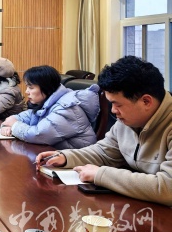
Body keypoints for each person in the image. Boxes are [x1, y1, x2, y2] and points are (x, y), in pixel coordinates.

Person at [36, 56, 172, 206]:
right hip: (140, 206)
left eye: (117, 104)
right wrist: (66, 157)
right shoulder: (129, 120)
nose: (113, 111)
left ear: (146, 101)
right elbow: (104, 152)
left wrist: (100, 174)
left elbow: (168, 188)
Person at [1, 65, 99, 149]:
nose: (27, 91)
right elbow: (25, 117)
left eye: (31, 87)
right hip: (57, 155)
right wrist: (10, 124)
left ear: (46, 88)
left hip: (77, 160)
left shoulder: (67, 108)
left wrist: (14, 126)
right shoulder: (47, 103)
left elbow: (38, 135)